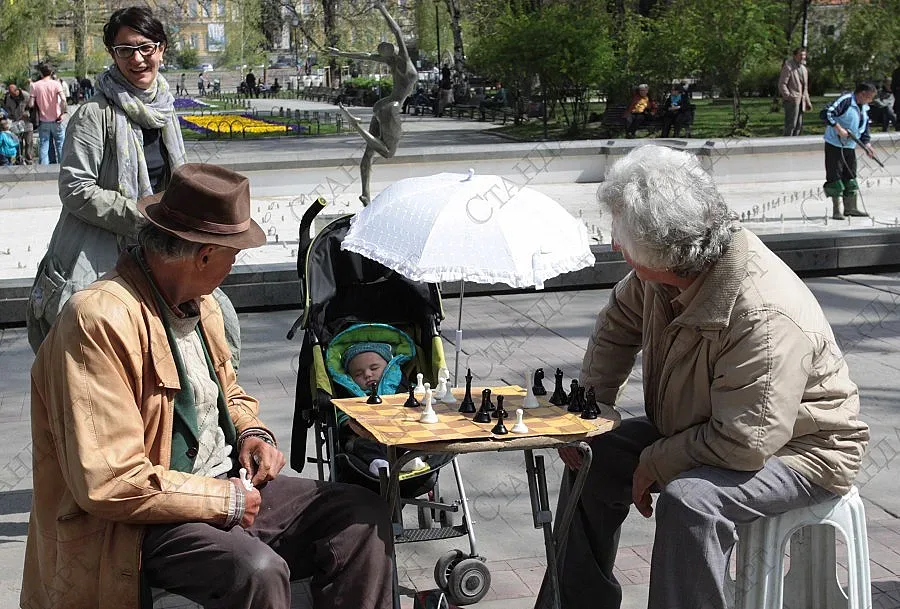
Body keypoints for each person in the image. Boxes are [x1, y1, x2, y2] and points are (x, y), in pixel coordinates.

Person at [21, 162, 395, 609]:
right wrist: (226, 500)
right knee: (255, 571)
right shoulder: (98, 319)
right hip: (138, 524)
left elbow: (226, 395)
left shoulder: (204, 305)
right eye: (231, 257)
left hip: (224, 486)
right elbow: (110, 481)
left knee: (362, 518)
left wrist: (252, 433)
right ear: (203, 256)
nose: (231, 270)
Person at [546, 145, 869, 609]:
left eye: (619, 233)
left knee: (690, 500)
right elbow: (617, 324)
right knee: (591, 455)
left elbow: (746, 442)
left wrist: (656, 461)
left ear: (662, 250)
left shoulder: (761, 312)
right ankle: (575, 603)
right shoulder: (660, 271)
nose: (614, 244)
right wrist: (590, 411)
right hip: (707, 427)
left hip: (801, 450)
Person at [26, 6, 243, 371]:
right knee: (105, 357)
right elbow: (76, 188)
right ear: (112, 54)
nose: (137, 59)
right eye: (124, 50)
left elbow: (176, 177)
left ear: (161, 49)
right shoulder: (94, 114)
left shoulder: (165, 108)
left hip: (163, 246)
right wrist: (143, 216)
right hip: (102, 251)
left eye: (145, 47)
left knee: (208, 332)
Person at [328, 0, 418, 205]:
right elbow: (397, 32)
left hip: (382, 104)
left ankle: (365, 193)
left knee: (369, 153)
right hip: (392, 107)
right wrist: (381, 7)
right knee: (388, 153)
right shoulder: (403, 61)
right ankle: (355, 124)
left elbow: (367, 56)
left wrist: (340, 53)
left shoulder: (393, 61)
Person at [328, 326, 429, 477]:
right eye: (358, 374)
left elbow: (420, 399)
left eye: (374, 368)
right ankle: (378, 463)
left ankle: (411, 458)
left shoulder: (401, 383)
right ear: (350, 378)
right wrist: (349, 422)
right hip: (365, 436)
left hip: (401, 432)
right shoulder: (350, 393)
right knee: (361, 445)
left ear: (388, 367)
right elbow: (342, 415)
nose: (368, 374)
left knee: (417, 438)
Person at [822, 82, 877, 220]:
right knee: (835, 176)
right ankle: (837, 210)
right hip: (835, 145)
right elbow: (826, 113)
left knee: (850, 175)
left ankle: (850, 208)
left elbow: (864, 129)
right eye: (870, 97)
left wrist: (867, 145)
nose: (871, 100)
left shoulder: (864, 108)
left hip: (850, 146)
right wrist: (838, 128)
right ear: (862, 94)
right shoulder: (846, 100)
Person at [29, 62, 67, 164]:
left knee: (44, 145)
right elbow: (63, 100)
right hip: (57, 119)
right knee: (60, 145)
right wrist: (61, 113)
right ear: (51, 72)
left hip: (43, 120)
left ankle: (44, 169)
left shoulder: (35, 85)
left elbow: (31, 104)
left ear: (41, 73)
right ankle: (62, 167)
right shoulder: (56, 84)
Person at [778, 46, 812, 136]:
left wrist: (807, 102)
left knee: (799, 125)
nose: (803, 57)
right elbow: (782, 84)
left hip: (801, 101)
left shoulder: (804, 69)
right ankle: (786, 144)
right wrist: (789, 96)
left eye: (804, 55)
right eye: (800, 55)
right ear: (795, 56)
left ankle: (795, 143)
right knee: (791, 125)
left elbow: (805, 88)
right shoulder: (788, 67)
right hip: (791, 101)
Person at [2, 82, 35, 165]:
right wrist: (10, 117)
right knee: (17, 142)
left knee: (28, 142)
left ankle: (29, 160)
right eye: (10, 94)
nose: (12, 96)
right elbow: (7, 109)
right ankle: (18, 159)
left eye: (13, 94)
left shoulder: (26, 95)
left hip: (27, 123)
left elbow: (33, 107)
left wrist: (28, 113)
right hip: (16, 123)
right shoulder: (8, 98)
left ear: (17, 90)